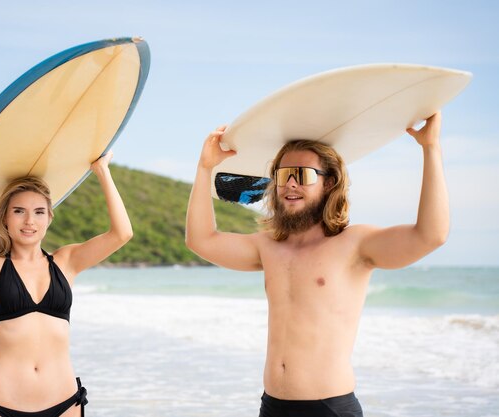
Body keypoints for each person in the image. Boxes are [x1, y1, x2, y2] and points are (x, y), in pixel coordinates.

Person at [185, 113, 448, 417]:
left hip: (329, 408)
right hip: (272, 407)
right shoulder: (268, 246)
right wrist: (205, 168)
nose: (291, 184)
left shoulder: (355, 244)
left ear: (329, 182)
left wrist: (431, 148)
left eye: (303, 174)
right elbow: (201, 240)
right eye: (283, 175)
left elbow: (431, 235)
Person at [0, 144, 133, 417]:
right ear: (5, 219)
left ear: (49, 218)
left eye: (39, 212)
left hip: (64, 402)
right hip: (1, 404)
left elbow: (122, 234)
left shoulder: (67, 262)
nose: (29, 220)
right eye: (19, 211)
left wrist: (102, 172)